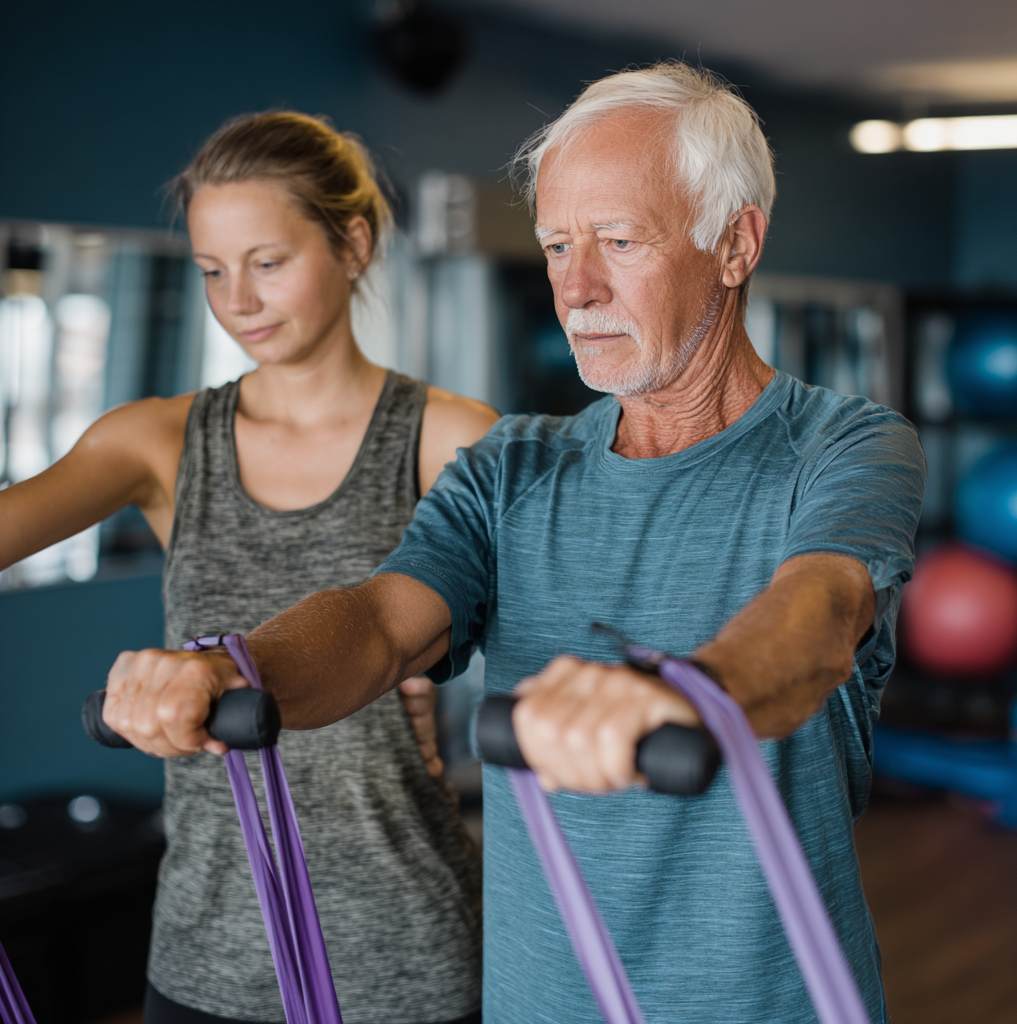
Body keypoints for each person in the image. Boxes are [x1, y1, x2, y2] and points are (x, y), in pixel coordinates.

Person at [101, 65, 927, 1024]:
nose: (576, 287)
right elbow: (379, 624)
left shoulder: (848, 446)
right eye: (556, 245)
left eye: (620, 241)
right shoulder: (511, 465)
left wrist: (683, 696)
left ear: (734, 243)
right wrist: (235, 670)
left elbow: (820, 616)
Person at [0, 112, 497, 1024]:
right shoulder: (156, 440)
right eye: (212, 271)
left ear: (353, 242)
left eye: (267, 262)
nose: (239, 301)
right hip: (204, 946)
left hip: (403, 946)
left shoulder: (450, 438)